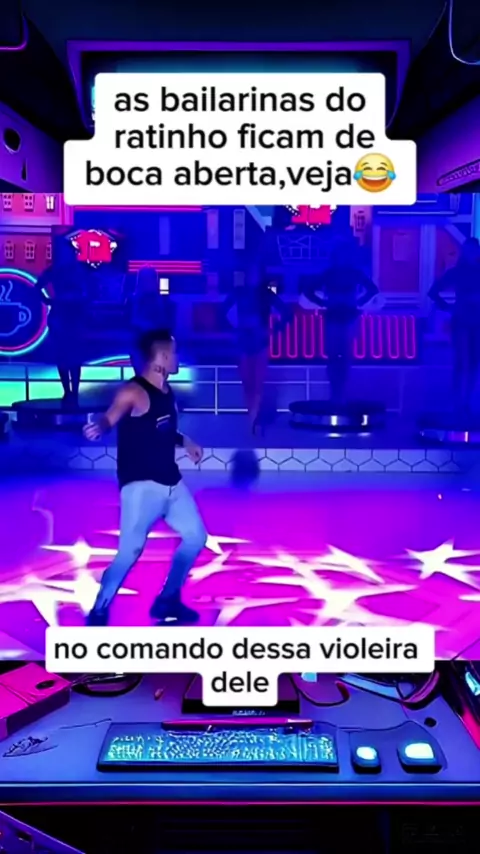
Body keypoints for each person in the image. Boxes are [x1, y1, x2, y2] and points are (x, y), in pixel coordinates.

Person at [83, 328, 207, 626]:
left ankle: (168, 599)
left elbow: (163, 428)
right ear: (161, 357)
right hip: (141, 486)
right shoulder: (133, 391)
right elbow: (110, 417)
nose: (178, 358)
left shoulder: (166, 390)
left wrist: (186, 441)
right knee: (130, 552)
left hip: (171, 482)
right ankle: (99, 609)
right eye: (174, 353)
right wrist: (98, 427)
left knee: (196, 537)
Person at [301, 242, 378, 403]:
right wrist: (322, 303)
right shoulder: (330, 274)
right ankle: (335, 391)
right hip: (335, 316)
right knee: (334, 355)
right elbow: (308, 291)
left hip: (347, 316)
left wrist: (358, 301)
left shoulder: (351, 273)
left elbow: (372, 289)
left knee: (344, 354)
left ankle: (340, 391)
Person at [223, 264, 291, 431]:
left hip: (260, 342)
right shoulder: (239, 292)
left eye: (254, 272)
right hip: (244, 342)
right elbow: (221, 311)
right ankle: (252, 417)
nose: (251, 275)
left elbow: (287, 313)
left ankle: (253, 418)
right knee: (247, 383)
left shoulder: (265, 294)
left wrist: (273, 330)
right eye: (249, 272)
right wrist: (233, 329)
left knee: (258, 383)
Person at [428, 237, 480, 412]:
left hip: (476, 321)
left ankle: (467, 399)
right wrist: (448, 307)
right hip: (462, 320)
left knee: (474, 360)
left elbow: (433, 292)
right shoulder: (457, 272)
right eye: (468, 250)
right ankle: (459, 399)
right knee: (462, 360)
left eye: (473, 250)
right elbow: (433, 291)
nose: (471, 253)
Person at [36, 261, 87, 406]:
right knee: (66, 356)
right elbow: (37, 286)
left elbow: (37, 287)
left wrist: (48, 301)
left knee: (69, 356)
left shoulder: (70, 268)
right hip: (64, 317)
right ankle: (70, 392)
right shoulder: (69, 269)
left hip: (70, 316)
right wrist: (48, 301)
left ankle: (71, 392)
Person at [127, 267, 175, 374]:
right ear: (139, 281)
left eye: (150, 279)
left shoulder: (164, 301)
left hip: (158, 346)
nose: (148, 283)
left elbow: (169, 324)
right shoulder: (132, 301)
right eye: (145, 279)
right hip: (139, 345)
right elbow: (128, 322)